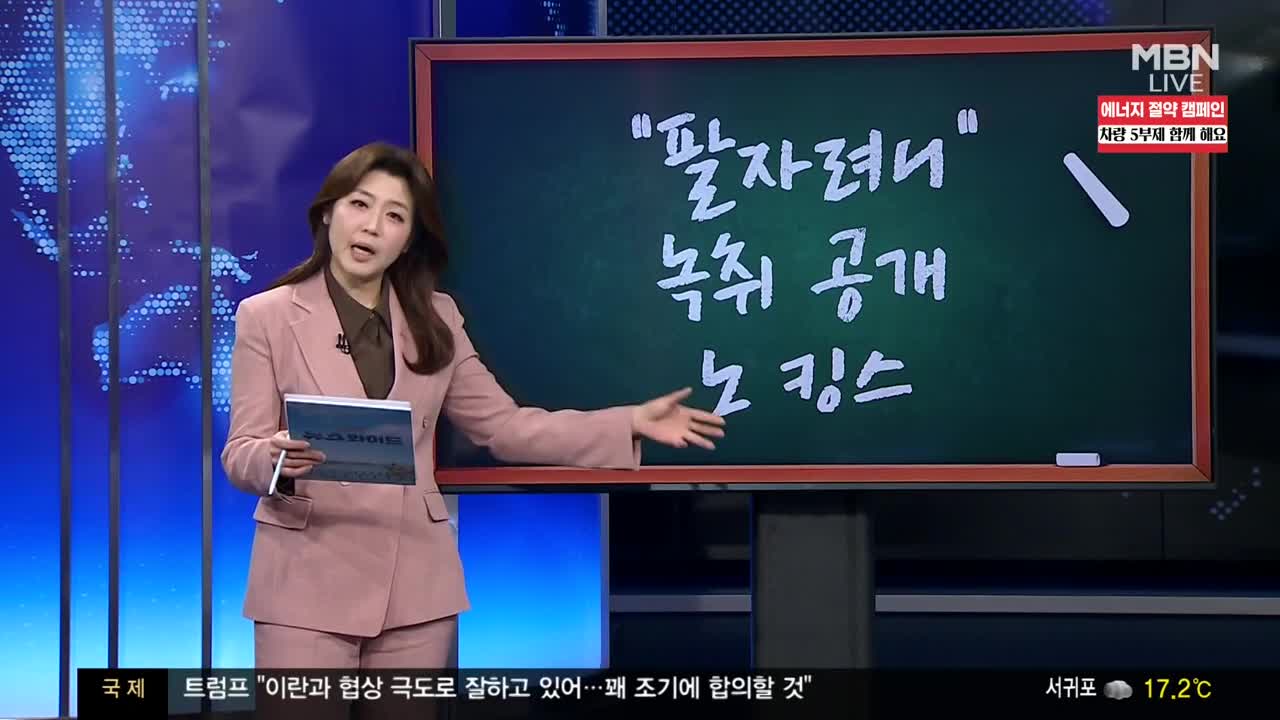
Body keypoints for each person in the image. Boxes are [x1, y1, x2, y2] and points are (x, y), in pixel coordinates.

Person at [220, 141, 726, 673]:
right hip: (304, 584)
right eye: (359, 205)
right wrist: (275, 458)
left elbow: (504, 427)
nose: (371, 227)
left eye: (394, 216)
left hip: (416, 587)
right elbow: (240, 451)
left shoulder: (436, 317)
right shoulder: (266, 316)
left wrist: (629, 421)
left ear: (409, 240)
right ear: (328, 212)